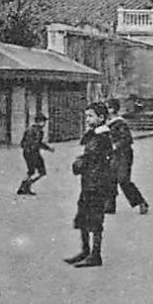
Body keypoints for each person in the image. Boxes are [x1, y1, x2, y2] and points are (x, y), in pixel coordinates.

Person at [67, 105, 117, 268]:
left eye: (91, 116)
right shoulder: (94, 135)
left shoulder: (102, 137)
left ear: (101, 118)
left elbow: (92, 157)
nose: (87, 119)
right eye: (86, 116)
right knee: (83, 215)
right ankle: (85, 250)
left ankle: (95, 254)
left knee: (95, 219)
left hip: (97, 183)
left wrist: (79, 163)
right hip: (89, 182)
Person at [106, 105, 149, 215]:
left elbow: (127, 139)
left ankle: (141, 202)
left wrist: (115, 145)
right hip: (111, 155)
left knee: (123, 179)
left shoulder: (120, 123)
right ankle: (110, 205)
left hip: (124, 154)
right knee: (110, 178)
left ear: (113, 109)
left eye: (108, 107)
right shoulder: (107, 123)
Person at [17, 112, 52, 196]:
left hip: (26, 152)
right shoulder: (39, 132)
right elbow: (38, 143)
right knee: (42, 172)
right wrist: (48, 148)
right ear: (39, 122)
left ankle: (22, 186)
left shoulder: (28, 129)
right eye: (43, 122)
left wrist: (26, 148)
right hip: (34, 153)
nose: (44, 124)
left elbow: (22, 143)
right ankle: (27, 186)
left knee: (31, 171)